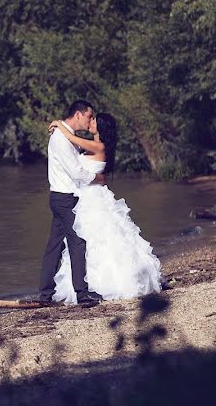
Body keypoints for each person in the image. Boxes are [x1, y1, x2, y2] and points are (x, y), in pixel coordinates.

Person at [49, 112, 163, 304]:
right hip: (86, 197)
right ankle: (84, 285)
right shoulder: (93, 145)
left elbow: (70, 137)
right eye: (90, 118)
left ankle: (98, 285)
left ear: (100, 126)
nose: (90, 122)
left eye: (94, 120)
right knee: (88, 241)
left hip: (92, 199)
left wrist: (59, 124)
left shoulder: (98, 146)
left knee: (94, 239)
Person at [30, 100, 107, 307]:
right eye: (89, 116)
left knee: (54, 246)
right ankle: (82, 294)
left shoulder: (67, 135)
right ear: (78, 114)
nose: (91, 120)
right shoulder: (61, 139)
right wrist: (97, 178)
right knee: (77, 242)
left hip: (62, 197)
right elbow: (76, 172)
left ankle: (45, 295)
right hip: (64, 198)